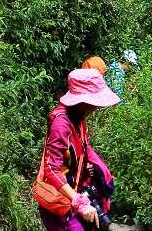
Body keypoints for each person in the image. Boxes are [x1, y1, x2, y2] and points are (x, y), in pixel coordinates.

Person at [38, 66, 120, 231]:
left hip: (72, 196)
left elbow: (80, 149)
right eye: (92, 101)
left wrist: (89, 166)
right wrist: (79, 202)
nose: (96, 107)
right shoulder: (61, 124)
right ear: (80, 100)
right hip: (59, 204)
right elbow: (51, 169)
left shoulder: (79, 119)